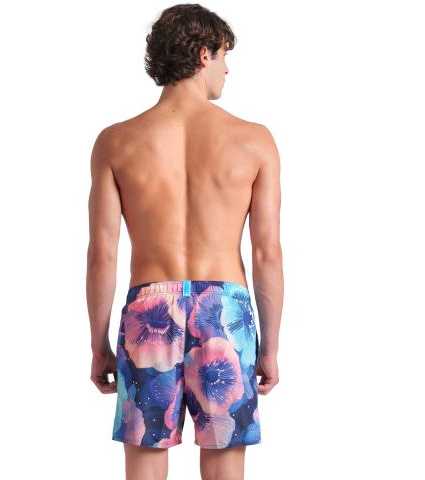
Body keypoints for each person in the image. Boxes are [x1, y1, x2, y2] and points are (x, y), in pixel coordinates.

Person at [86, 4, 284, 480]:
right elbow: (267, 254)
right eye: (224, 56)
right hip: (225, 312)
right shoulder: (254, 141)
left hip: (149, 311)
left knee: (145, 465)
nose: (227, 69)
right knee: (224, 468)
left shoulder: (116, 142)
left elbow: (103, 254)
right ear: (202, 55)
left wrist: (98, 344)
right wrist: (270, 347)